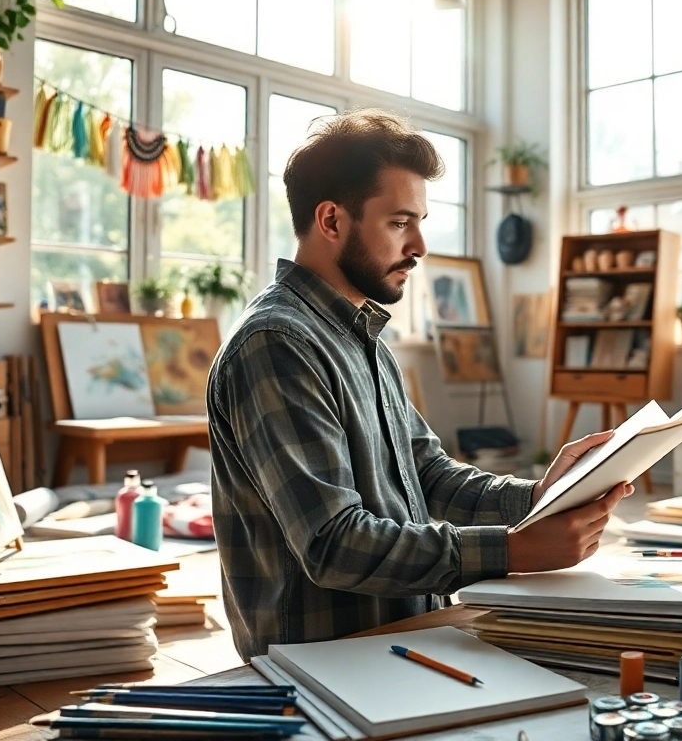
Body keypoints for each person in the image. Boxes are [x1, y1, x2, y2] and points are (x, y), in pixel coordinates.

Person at [208, 108, 629, 660]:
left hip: (404, 641)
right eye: (400, 222)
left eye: (421, 221)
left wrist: (539, 498)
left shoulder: (365, 339)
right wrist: (511, 549)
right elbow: (332, 544)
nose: (421, 246)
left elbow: (427, 473)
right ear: (332, 221)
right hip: (324, 666)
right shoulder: (275, 344)